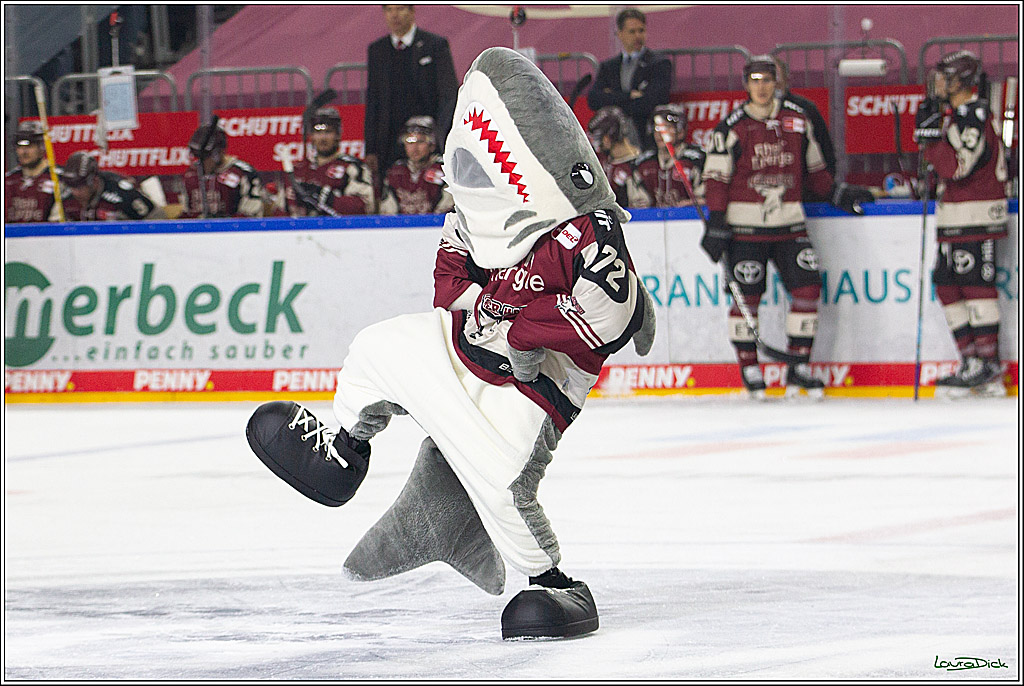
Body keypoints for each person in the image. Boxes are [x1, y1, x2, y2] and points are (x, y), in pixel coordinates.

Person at [244, 47, 655, 640]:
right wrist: (497, 311)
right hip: (465, 349)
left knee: (503, 485)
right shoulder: (475, 214)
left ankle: (553, 585)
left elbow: (610, 314)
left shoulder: (587, 228)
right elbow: (448, 287)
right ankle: (342, 451)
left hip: (530, 390)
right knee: (375, 349)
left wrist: (518, 325)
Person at [700, 55, 874, 399]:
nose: (761, 87)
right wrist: (717, 223)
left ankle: (799, 367)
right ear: (746, 84)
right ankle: (750, 367)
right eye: (755, 80)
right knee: (747, 298)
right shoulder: (731, 127)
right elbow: (715, 179)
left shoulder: (797, 120)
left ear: (776, 82)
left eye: (767, 79)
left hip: (790, 224)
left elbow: (816, 173)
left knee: (808, 288)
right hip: (745, 230)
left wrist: (839, 193)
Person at [914, 50, 1008, 398]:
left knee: (975, 285)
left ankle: (989, 365)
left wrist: (930, 139)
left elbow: (957, 167)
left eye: (947, 77)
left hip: (976, 215)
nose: (940, 83)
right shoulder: (956, 115)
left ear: (963, 81)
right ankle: (971, 362)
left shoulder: (974, 114)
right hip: (955, 216)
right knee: (946, 282)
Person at [363, 5, 458, 191]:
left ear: (412, 11)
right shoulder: (377, 50)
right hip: (389, 141)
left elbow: (448, 94)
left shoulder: (435, 45)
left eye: (400, 9)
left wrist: (441, 135)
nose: (395, 15)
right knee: (391, 195)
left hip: (428, 141)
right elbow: (373, 99)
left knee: (432, 193)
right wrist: (371, 148)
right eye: (389, 10)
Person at [586, 8, 672, 151]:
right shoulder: (609, 67)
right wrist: (629, 95)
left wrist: (612, 99)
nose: (638, 36)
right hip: (615, 143)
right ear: (620, 34)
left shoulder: (659, 64)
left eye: (641, 30)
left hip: (645, 135)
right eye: (632, 31)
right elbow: (594, 99)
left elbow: (652, 101)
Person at [288, 106, 374, 216]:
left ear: (338, 135)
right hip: (301, 231)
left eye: (328, 132)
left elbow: (365, 206)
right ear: (312, 137)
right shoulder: (298, 170)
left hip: (339, 230)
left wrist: (327, 198)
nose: (323, 138)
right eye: (318, 132)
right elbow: (278, 211)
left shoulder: (352, 167)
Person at [179, 122, 264, 219]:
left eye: (206, 157)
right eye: (197, 156)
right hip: (197, 232)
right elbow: (186, 213)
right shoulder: (190, 175)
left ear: (220, 152)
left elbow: (252, 215)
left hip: (235, 231)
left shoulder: (243, 173)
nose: (201, 162)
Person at [774, 56, 837, 180]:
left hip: (802, 183)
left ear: (786, 79)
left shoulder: (805, 109)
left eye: (774, 76)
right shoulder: (747, 114)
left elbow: (825, 148)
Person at [60, 151, 165, 221]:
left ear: (95, 180)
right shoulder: (67, 197)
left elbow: (157, 217)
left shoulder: (123, 196)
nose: (75, 192)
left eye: (80, 187)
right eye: (71, 186)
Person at [379, 115, 453, 215]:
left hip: (436, 227)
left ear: (432, 145)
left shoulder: (444, 170)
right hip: (401, 229)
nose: (415, 147)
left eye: (421, 141)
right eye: (410, 141)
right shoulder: (396, 172)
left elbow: (446, 209)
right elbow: (388, 212)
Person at [586, 105, 657, 208]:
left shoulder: (642, 164)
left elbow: (643, 206)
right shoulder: (600, 161)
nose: (599, 143)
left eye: (601, 138)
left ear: (607, 137)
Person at [650, 102, 706, 207]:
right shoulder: (645, 163)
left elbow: (708, 199)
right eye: (657, 128)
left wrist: (688, 204)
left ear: (680, 132)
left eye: (667, 127)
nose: (660, 133)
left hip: (689, 220)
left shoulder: (696, 160)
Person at [5, 121, 61, 223]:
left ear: (42, 147)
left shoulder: (57, 179)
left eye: (29, 146)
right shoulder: (8, 180)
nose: (23, 152)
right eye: (20, 147)